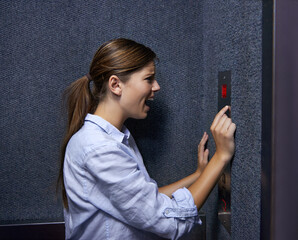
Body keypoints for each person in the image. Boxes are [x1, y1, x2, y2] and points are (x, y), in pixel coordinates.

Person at [58, 38, 236, 240]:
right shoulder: (99, 148)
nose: (157, 86)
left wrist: (198, 174)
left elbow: (148, 200)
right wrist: (221, 156)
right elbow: (170, 222)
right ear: (115, 85)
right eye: (149, 79)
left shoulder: (116, 137)